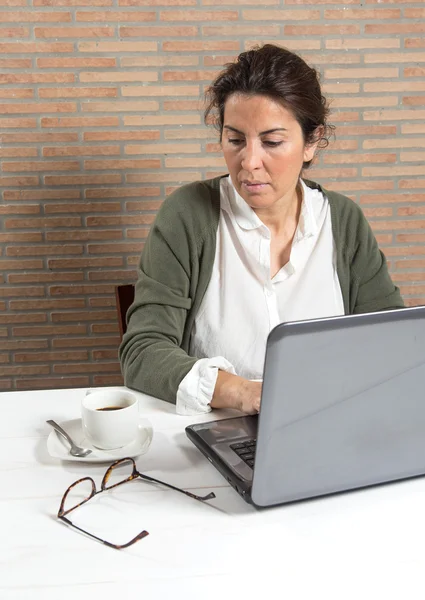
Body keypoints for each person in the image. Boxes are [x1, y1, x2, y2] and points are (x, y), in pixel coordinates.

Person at [119, 44, 404, 416]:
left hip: (327, 420)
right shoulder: (187, 216)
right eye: (235, 140)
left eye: (271, 142)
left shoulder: (344, 221)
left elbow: (392, 342)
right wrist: (247, 394)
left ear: (312, 142)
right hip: (220, 426)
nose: (249, 162)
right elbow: (143, 351)